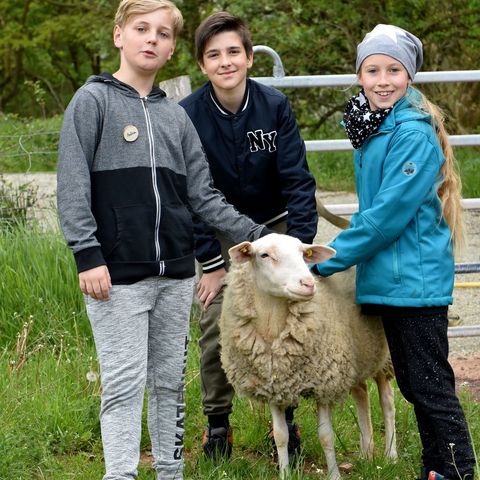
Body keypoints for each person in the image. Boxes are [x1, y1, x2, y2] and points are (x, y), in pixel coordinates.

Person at [56, 1, 272, 479]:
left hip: (175, 276)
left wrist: (260, 236)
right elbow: (72, 186)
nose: (151, 39)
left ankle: (170, 473)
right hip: (115, 278)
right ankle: (121, 474)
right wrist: (87, 255)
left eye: (163, 34)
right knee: (124, 384)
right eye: (141, 29)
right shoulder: (92, 102)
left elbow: (204, 196)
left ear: (173, 48)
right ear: (119, 36)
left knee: (170, 385)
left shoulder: (176, 117)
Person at [310, 24, 475, 480]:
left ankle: (458, 471)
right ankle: (437, 469)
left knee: (430, 387)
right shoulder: (373, 125)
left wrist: (328, 257)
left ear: (410, 76)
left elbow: (385, 217)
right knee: (414, 384)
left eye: (394, 70)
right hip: (391, 276)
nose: (383, 80)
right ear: (359, 76)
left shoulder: (412, 133)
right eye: (373, 69)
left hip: (414, 280)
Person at [179, 11, 318, 462]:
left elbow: (298, 180)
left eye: (233, 52)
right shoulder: (188, 115)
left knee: (287, 323)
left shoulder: (274, 106)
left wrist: (297, 248)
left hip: (275, 228)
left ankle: (289, 419)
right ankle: (218, 423)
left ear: (249, 58)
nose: (225, 62)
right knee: (218, 322)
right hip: (223, 235)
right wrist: (214, 265)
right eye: (213, 55)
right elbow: (191, 196)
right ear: (202, 64)